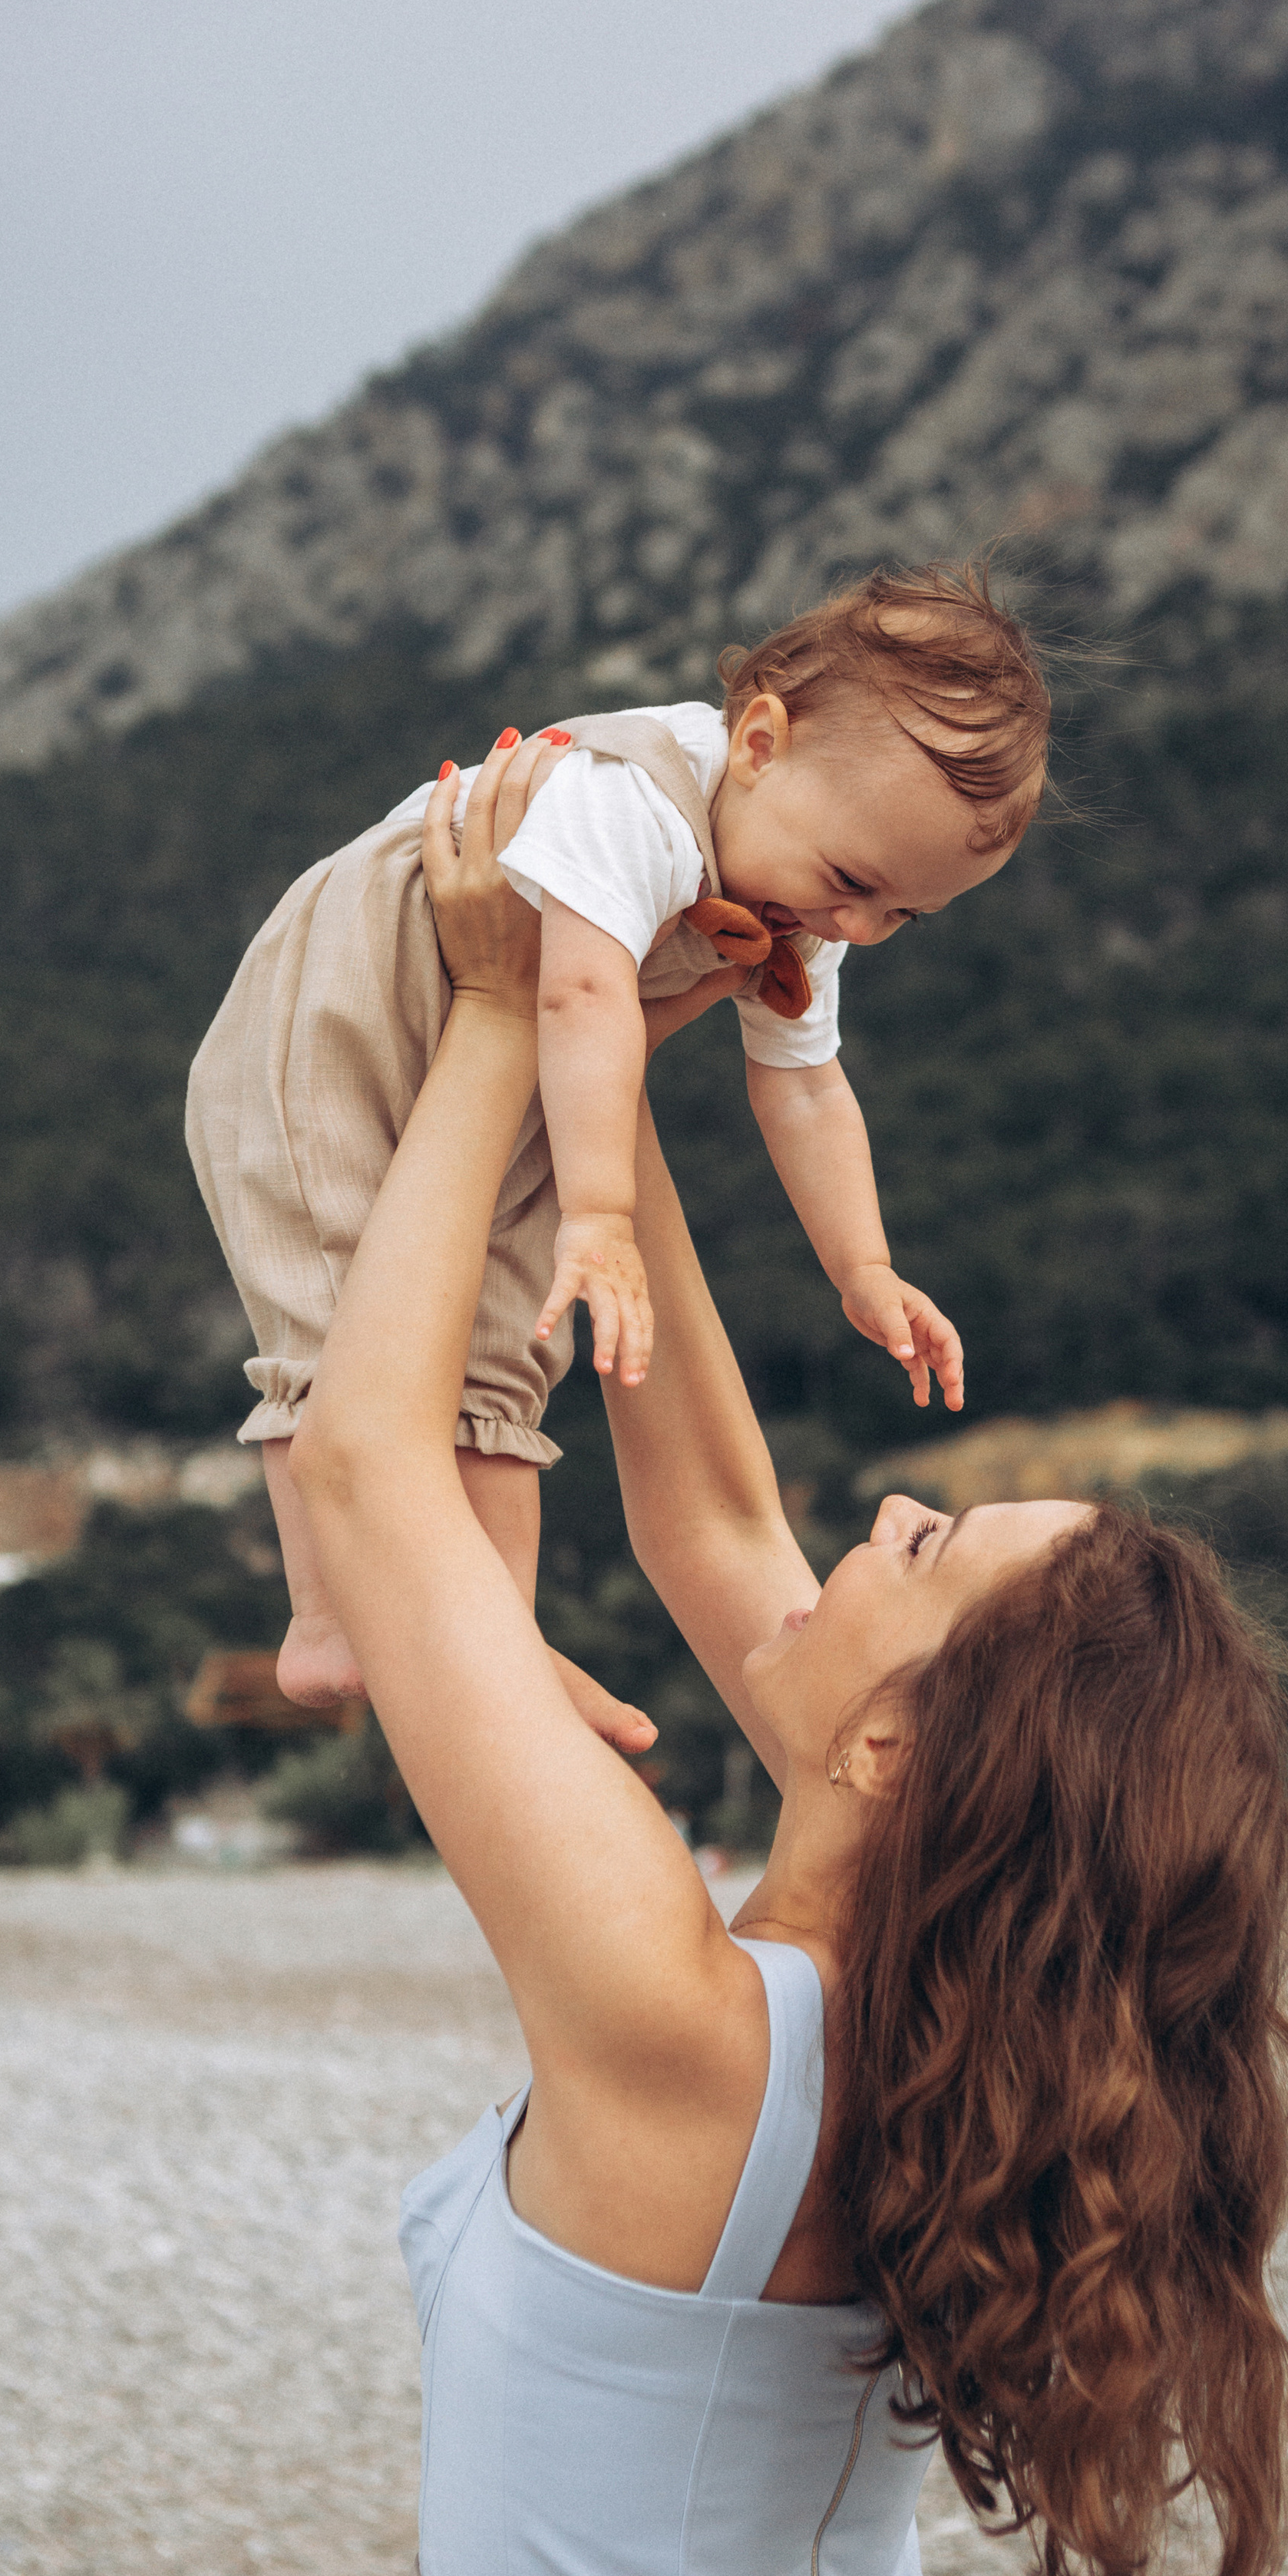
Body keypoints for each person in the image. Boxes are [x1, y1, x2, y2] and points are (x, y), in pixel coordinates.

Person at [292, 732, 1288, 2576]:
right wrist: (614, 1055)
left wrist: (494, 1010)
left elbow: (371, 1471)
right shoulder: (953, 2014)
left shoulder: (691, 2033)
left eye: (930, 1552)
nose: (893, 1510)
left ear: (894, 1748)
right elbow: (707, 1512)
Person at [187, 562, 1051, 1726]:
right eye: (851, 884)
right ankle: (327, 1620)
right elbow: (577, 998)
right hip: (338, 1021)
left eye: (901, 914)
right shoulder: (630, 803)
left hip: (492, 1057)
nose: (855, 928)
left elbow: (803, 1086)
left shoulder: (804, 882)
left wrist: (864, 1266)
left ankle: (490, 1629)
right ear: (758, 744)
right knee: (341, 1308)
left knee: (505, 1349)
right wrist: (595, 1216)